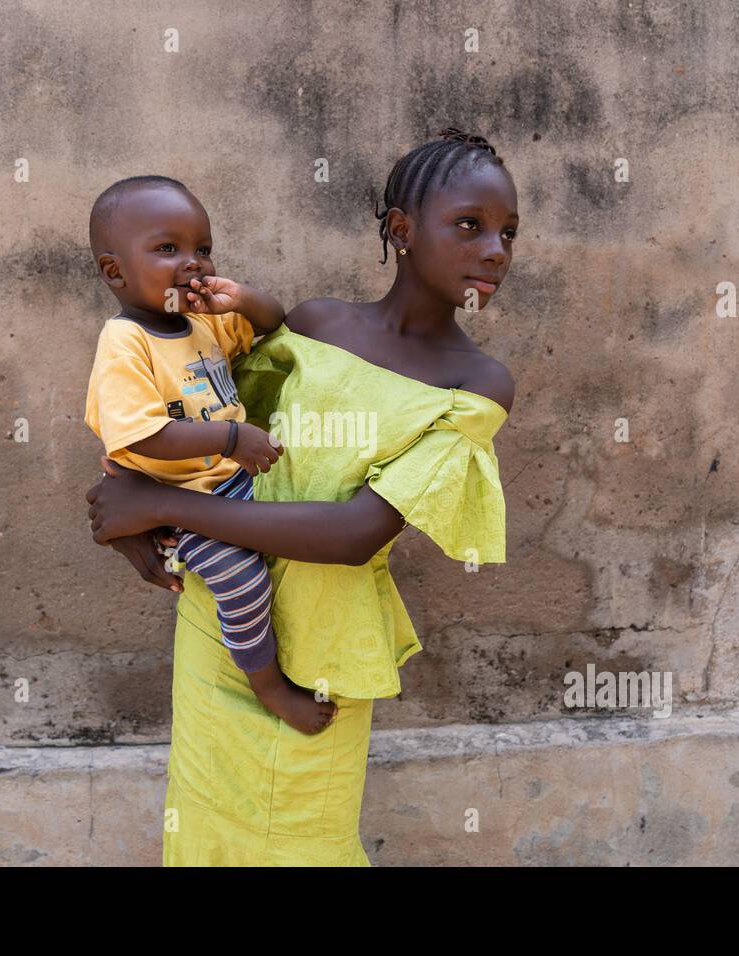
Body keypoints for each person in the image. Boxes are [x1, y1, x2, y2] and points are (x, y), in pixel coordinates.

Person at [85, 128, 517, 865]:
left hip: (319, 650)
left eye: (509, 233)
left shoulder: (477, 383)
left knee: (304, 844)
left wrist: (160, 511)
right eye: (470, 226)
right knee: (205, 830)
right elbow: (198, 424)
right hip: (220, 619)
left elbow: (356, 534)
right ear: (402, 231)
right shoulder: (313, 325)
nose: (496, 251)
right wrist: (126, 502)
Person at [83, 175, 337, 734]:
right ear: (114, 271)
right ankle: (269, 686)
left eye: (203, 249)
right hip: (178, 500)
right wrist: (229, 437)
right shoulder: (125, 342)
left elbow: (276, 326)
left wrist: (241, 298)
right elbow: (143, 437)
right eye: (167, 249)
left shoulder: (206, 322)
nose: (192, 263)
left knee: (313, 511)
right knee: (241, 581)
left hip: (233, 481)